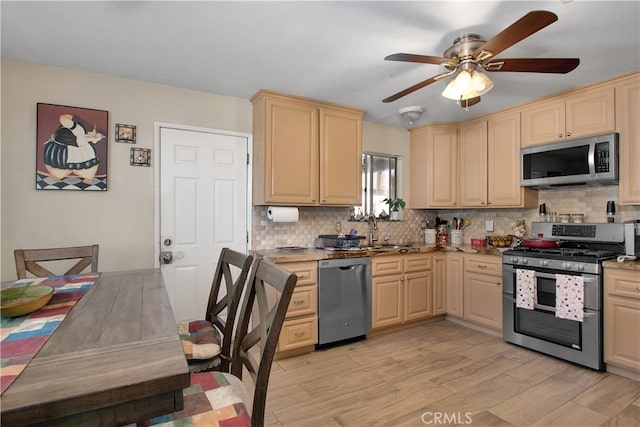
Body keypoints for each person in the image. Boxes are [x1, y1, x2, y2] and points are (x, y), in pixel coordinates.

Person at [43, 114, 104, 182]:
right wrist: (90, 139)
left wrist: (91, 138)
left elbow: (82, 137)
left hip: (80, 150)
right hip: (64, 151)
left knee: (86, 168)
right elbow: (77, 141)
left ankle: (88, 177)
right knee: (60, 169)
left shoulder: (77, 128)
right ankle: (57, 176)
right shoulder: (66, 131)